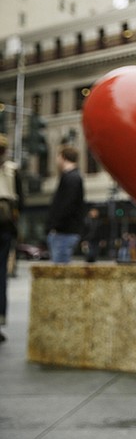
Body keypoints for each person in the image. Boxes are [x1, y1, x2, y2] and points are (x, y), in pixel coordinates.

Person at [0, 134, 22, 343]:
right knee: (1, 276)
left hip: (5, 229)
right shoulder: (13, 170)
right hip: (5, 228)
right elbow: (20, 202)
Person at [47, 146, 85, 264]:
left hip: (64, 232)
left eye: (58, 157)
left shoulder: (72, 178)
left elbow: (67, 205)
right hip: (64, 231)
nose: (57, 160)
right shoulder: (72, 177)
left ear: (63, 158)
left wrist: (55, 226)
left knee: (60, 269)